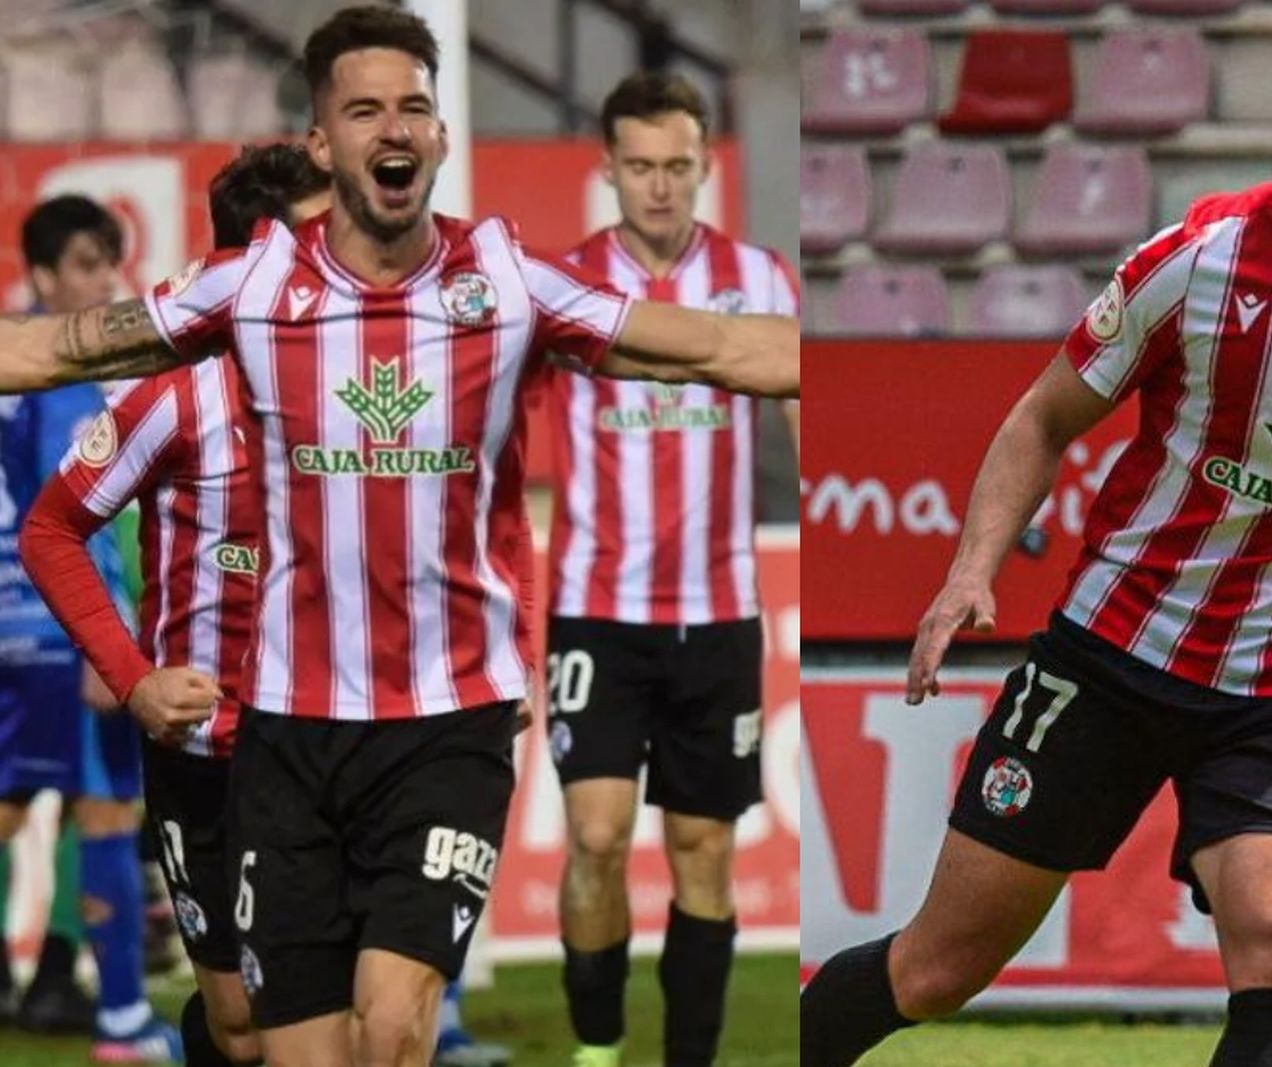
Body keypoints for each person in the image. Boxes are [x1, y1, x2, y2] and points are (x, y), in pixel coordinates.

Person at [0, 7, 795, 1066]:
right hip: (282, 732)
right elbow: (56, 351)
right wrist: (135, 670)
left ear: (439, 136)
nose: (396, 125)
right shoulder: (246, 295)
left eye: (414, 105)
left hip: (443, 724)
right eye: (365, 106)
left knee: (394, 1024)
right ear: (324, 144)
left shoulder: (504, 283)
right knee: (275, 1043)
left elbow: (711, 345)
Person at [800, 13, 1272, 1067]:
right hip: (1110, 656)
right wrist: (967, 570)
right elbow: (1041, 418)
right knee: (934, 970)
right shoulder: (1201, 260)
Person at [21, 143, 333, 1067]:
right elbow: (53, 529)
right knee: (239, 1029)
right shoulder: (176, 393)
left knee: (357, 1015)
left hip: (343, 740)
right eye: (322, 236)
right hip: (208, 745)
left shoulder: (379, 382)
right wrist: (131, 673)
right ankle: (97, 995)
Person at [546, 71, 799, 1067]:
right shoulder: (561, 284)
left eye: (678, 167)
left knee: (703, 848)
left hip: (719, 611)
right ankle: (598, 1044)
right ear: (607, 169)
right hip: (593, 607)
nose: (659, 187)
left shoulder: (760, 279)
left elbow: (799, 410)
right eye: (640, 167)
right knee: (598, 836)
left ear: (707, 167)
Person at [0, 195, 181, 1061]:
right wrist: (106, 641)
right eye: (82, 263)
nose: (103, 280)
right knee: (108, 812)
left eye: (108, 260)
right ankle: (121, 1021)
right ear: (39, 275)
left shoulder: (8, 358)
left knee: (6, 812)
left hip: (6, 627)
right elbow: (69, 512)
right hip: (63, 631)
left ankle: (29, 983)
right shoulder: (69, 371)